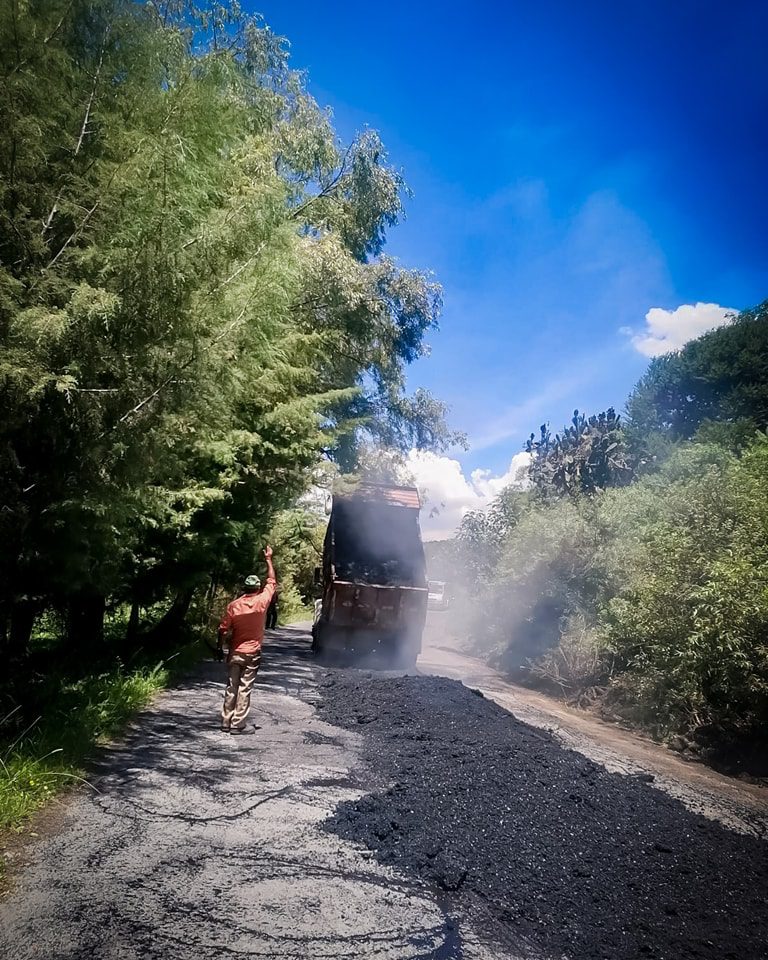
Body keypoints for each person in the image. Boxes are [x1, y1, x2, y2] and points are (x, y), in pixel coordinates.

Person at [217, 546, 277, 734]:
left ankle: (226, 721)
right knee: (245, 687)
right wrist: (268, 559)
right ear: (258, 588)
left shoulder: (233, 606)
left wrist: (220, 648)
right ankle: (238, 724)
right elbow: (272, 580)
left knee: (231, 686)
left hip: (235, 652)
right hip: (253, 653)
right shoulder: (261, 601)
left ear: (244, 588)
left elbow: (223, 629)